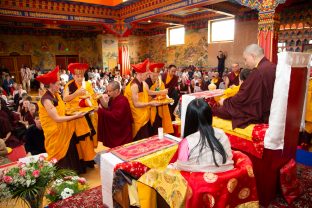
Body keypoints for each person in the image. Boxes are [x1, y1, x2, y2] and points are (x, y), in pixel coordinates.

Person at [213, 44, 276, 129]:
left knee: (217, 110)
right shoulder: (272, 67)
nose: (245, 63)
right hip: (270, 111)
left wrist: (225, 102)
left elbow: (242, 97)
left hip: (259, 113)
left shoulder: (258, 72)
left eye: (245, 59)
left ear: (253, 56)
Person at [36, 66, 86, 173]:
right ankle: (62, 176)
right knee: (60, 156)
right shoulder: (46, 100)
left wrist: (72, 112)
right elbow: (57, 118)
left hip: (64, 130)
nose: (60, 86)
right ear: (51, 85)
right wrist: (76, 116)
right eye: (58, 84)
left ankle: (73, 172)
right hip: (55, 133)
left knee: (70, 149)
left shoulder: (56, 95)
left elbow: (62, 110)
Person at [172, 99, 234, 173]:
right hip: (224, 177)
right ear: (209, 116)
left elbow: (181, 167)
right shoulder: (222, 134)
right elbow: (229, 157)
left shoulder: (187, 141)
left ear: (189, 119)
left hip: (198, 182)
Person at [63, 63, 98, 167]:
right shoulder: (69, 85)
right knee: (79, 139)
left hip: (86, 113)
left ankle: (89, 160)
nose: (80, 78)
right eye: (77, 76)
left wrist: (92, 102)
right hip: (74, 115)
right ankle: (81, 163)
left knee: (88, 137)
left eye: (81, 76)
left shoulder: (87, 84)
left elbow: (92, 96)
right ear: (73, 76)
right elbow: (65, 98)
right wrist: (76, 94)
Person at [124, 59, 167, 141]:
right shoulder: (134, 86)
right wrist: (150, 104)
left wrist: (157, 100)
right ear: (140, 73)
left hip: (144, 115)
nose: (148, 76)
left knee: (145, 139)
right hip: (138, 118)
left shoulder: (142, 83)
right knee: (140, 141)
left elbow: (149, 93)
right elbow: (136, 104)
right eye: (147, 74)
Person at [97, 81, 133, 148]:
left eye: (109, 91)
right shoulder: (113, 98)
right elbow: (108, 107)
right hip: (119, 130)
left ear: (116, 91)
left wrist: (100, 111)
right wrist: (101, 99)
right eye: (107, 91)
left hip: (122, 132)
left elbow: (115, 116)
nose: (108, 93)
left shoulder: (122, 101)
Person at [149, 62, 174, 134]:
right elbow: (148, 93)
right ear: (150, 72)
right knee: (152, 127)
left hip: (159, 106)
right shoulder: (147, 82)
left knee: (159, 124)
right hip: (150, 106)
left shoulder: (160, 82)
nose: (156, 74)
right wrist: (161, 92)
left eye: (157, 72)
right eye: (154, 72)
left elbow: (163, 94)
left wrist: (164, 95)